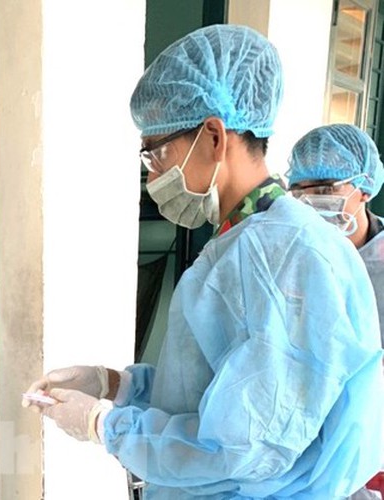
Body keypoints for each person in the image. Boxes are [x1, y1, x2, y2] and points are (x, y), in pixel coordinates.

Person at [23, 24, 384, 498]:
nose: (153, 172)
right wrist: (116, 386)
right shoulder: (245, 239)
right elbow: (209, 390)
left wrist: (106, 426)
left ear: (214, 135)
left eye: (156, 152)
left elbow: (244, 446)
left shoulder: (285, 255)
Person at [286, 123, 384, 499]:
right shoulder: (295, 256)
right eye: (300, 191)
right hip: (304, 453)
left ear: (364, 188)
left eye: (326, 190)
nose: (312, 202)